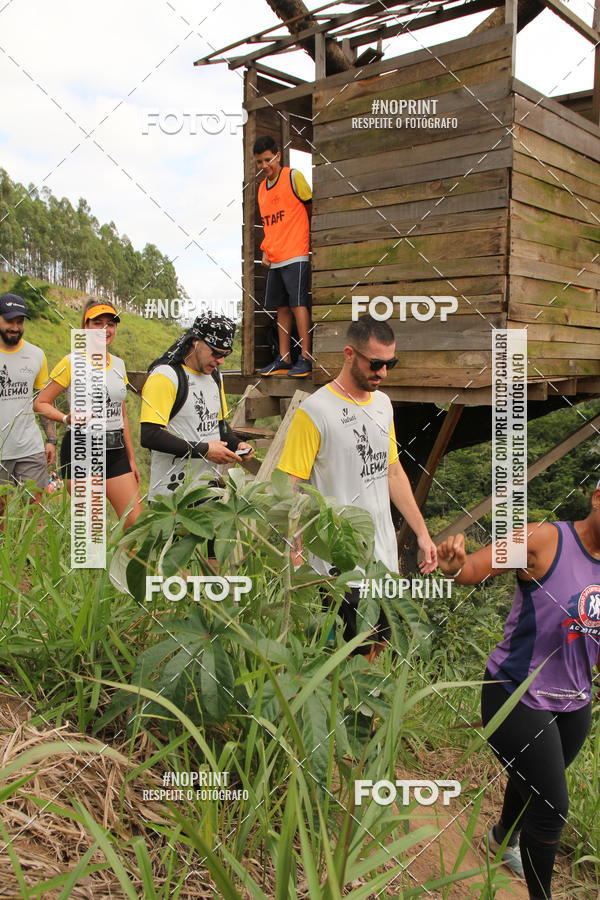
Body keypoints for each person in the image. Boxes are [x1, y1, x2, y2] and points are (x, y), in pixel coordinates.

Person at [437, 495, 600, 900]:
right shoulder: (542, 540)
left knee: (534, 782)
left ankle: (500, 839)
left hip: (575, 703)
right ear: (597, 497)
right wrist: (455, 567)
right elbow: (474, 568)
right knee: (551, 810)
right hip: (515, 694)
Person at [276, 314, 437, 652]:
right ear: (349, 354)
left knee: (380, 642)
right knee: (349, 652)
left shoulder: (383, 405)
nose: (383, 373)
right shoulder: (315, 411)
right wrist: (294, 545)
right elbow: (291, 484)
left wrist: (422, 533)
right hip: (339, 559)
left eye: (390, 363)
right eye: (376, 363)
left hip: (383, 557)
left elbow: (392, 471)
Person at [140, 314, 253, 555]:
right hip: (172, 496)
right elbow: (149, 435)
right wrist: (205, 450)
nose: (220, 360)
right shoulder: (165, 377)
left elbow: (219, 426)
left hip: (209, 489)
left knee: (214, 562)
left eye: (226, 355)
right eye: (215, 353)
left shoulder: (215, 376)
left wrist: (237, 445)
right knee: (172, 567)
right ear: (195, 342)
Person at [34, 299, 141, 529]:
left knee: (136, 525)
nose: (105, 329)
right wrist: (65, 418)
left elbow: (121, 414)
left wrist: (131, 459)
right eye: (97, 323)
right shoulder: (71, 362)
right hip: (82, 449)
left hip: (115, 450)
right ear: (85, 327)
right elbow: (41, 403)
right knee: (93, 531)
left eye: (110, 323)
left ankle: (120, 556)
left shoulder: (119, 365)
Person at [253, 135, 313, 378]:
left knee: (298, 304)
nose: (264, 165)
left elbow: (311, 206)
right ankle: (284, 358)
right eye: (259, 162)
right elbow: (269, 224)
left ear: (277, 156)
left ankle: (306, 357)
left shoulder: (293, 177)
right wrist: (266, 249)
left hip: (296, 252)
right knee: (281, 307)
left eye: (268, 159)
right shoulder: (261, 189)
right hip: (276, 256)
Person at [0, 292, 56, 509]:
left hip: (30, 448)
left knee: (33, 512)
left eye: (20, 322)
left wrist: (51, 440)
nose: (15, 327)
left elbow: (43, 400)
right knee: (2, 516)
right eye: (9, 321)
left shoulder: (36, 355)